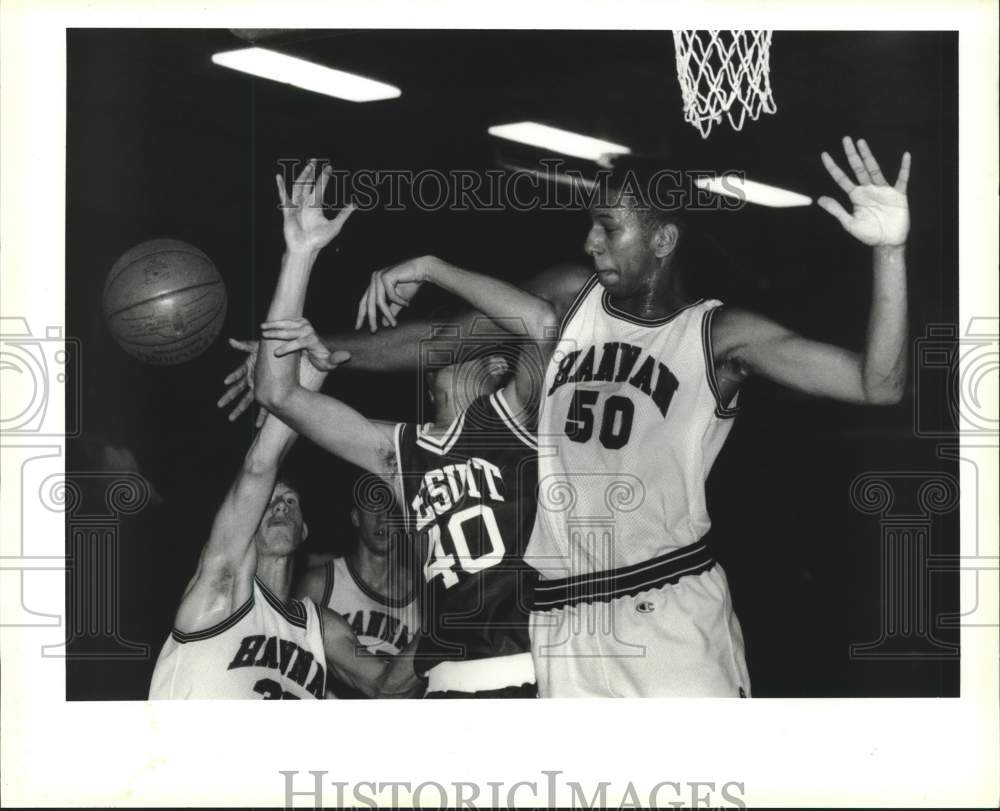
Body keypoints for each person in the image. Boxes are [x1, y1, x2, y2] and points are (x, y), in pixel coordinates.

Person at [350, 136, 911, 697]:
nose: (590, 242)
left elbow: (877, 384)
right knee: (591, 789)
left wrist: (889, 253)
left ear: (663, 239)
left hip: (663, 607)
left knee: (702, 785)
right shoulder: (572, 300)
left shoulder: (717, 336)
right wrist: (314, 349)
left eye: (609, 227)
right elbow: (449, 338)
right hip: (564, 621)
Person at [253, 159, 558, 697]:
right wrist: (298, 258)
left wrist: (429, 266)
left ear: (493, 367)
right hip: (442, 687)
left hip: (526, 676)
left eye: (460, 342)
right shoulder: (400, 452)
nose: (443, 345)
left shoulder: (514, 423)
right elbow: (278, 393)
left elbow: (542, 323)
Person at [148, 352, 397, 699]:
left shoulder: (319, 627)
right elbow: (258, 468)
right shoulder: (223, 592)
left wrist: (454, 611)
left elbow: (388, 684)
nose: (279, 506)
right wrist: (302, 381)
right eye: (268, 503)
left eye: (290, 500)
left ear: (304, 530)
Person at [294, 479, 421, 697]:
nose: (383, 517)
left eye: (391, 508)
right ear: (355, 517)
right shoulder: (320, 583)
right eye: (373, 506)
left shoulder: (425, 595)